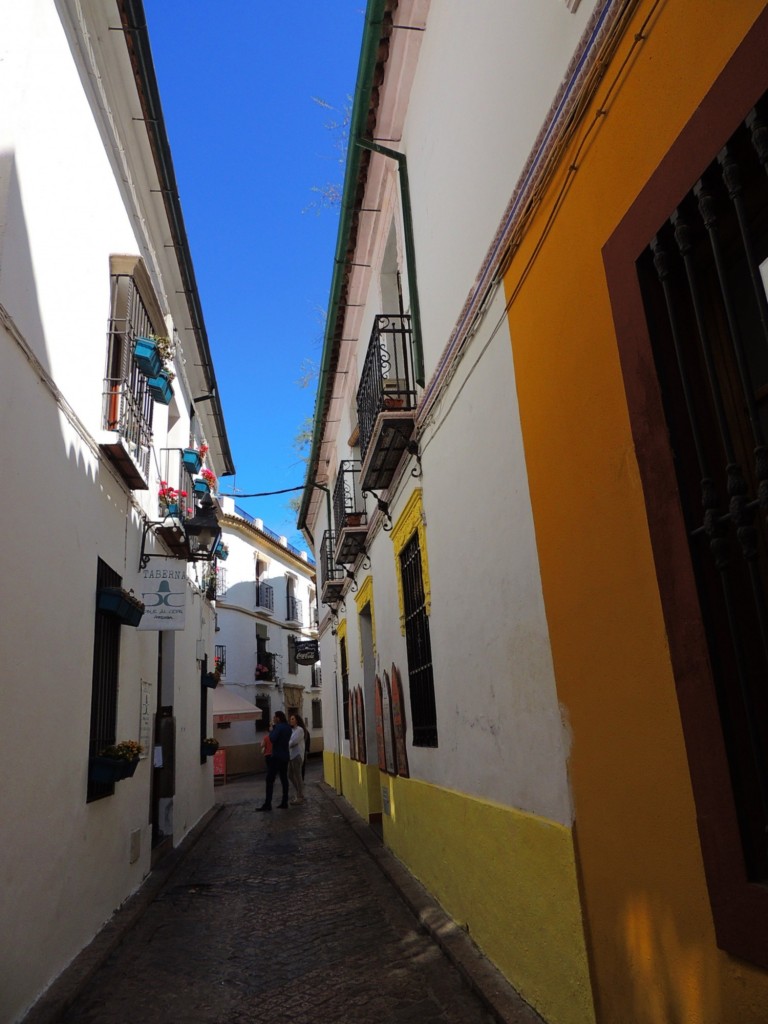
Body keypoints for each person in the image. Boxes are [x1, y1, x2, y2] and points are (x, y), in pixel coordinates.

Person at [256, 711, 291, 811]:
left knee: (270, 780)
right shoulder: (288, 727)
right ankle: (284, 801)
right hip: (285, 755)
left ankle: (268, 803)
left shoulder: (278, 727)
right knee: (284, 779)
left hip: (276, 757)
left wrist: (272, 729)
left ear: (278, 718)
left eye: (274, 717)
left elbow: (272, 738)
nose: (273, 719)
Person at [288, 713, 305, 804]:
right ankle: (299, 791)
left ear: (297, 720)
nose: (291, 720)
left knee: (298, 776)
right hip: (291, 755)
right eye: (290, 719)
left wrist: (289, 743)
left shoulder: (299, 730)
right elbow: (290, 742)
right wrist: (289, 742)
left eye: (293, 719)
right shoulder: (292, 731)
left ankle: (300, 796)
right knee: (290, 775)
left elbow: (292, 742)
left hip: (297, 755)